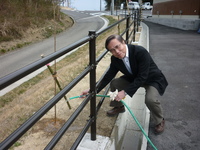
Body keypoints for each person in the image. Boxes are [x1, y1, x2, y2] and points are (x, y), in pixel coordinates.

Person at [82, 35, 168, 134]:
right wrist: (92, 89)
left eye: (117, 47)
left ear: (124, 42)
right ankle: (119, 107)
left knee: (150, 100)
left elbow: (142, 76)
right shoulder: (115, 59)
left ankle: (159, 120)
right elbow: (108, 76)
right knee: (115, 83)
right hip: (133, 78)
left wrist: (125, 92)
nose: (116, 52)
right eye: (112, 50)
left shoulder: (140, 52)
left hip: (151, 79)